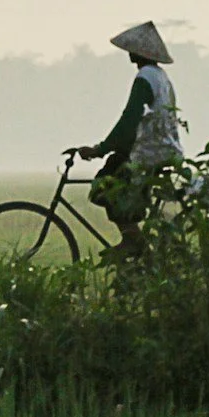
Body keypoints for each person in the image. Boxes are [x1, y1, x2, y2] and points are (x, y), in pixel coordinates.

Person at [73, 21, 182, 258]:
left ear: (137, 53)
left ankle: (132, 239)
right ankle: (138, 245)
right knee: (119, 170)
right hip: (165, 148)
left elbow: (129, 119)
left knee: (106, 183)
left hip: (151, 151)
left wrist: (100, 149)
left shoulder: (145, 77)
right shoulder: (161, 77)